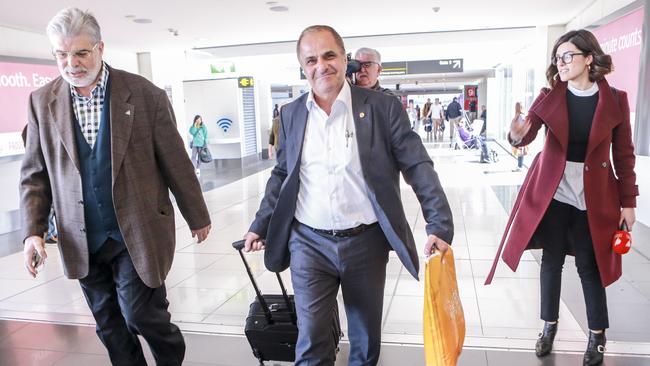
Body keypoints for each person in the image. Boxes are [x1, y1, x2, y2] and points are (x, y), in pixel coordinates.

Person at [243, 25, 453, 366]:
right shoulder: (292, 114)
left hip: (365, 243)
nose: (321, 66)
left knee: (364, 340)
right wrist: (260, 223)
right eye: (311, 59)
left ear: (344, 59)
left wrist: (439, 224)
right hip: (308, 243)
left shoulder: (381, 108)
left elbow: (416, 164)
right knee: (311, 342)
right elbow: (282, 173)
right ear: (303, 67)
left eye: (329, 55)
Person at [20, 8, 212, 365]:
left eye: (80, 53)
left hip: (138, 230)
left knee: (140, 314)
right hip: (81, 236)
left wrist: (196, 215)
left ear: (100, 48)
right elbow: (35, 173)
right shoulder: (41, 102)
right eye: (61, 54)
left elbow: (175, 159)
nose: (71, 63)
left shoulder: (143, 95)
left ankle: (170, 357)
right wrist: (32, 232)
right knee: (108, 324)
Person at [485, 29, 638, 366]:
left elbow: (624, 156)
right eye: (558, 57)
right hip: (553, 191)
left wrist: (629, 202)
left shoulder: (615, 100)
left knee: (589, 265)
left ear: (588, 58)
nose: (562, 62)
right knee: (551, 262)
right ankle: (548, 327)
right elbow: (525, 135)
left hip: (594, 195)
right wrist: (516, 133)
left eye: (568, 55)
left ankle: (597, 337)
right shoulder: (550, 95)